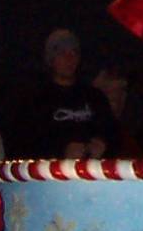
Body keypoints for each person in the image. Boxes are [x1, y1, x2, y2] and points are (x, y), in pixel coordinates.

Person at [18, 30, 116, 161]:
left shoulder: (95, 97)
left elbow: (112, 134)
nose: (69, 59)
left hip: (92, 172)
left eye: (74, 53)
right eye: (62, 53)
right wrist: (61, 151)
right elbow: (25, 144)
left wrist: (103, 145)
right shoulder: (36, 99)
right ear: (51, 59)